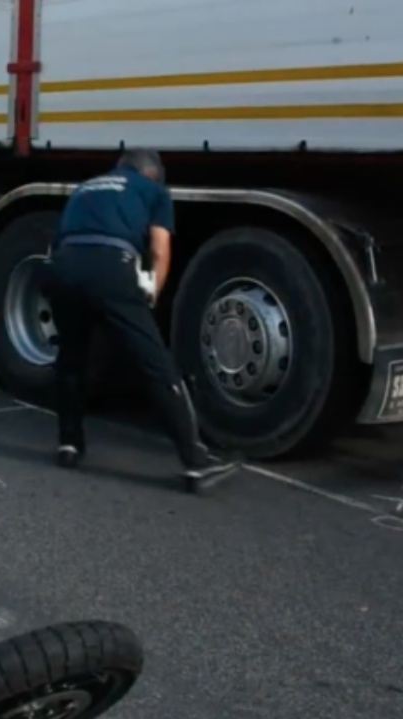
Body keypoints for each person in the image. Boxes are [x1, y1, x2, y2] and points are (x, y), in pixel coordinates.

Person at [44, 148, 237, 494]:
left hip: (63, 265)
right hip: (111, 266)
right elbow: (160, 249)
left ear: (120, 167)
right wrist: (150, 298)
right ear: (153, 174)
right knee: (156, 365)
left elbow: (60, 236)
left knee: (71, 356)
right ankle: (195, 461)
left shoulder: (86, 186)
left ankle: (69, 444)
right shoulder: (155, 191)